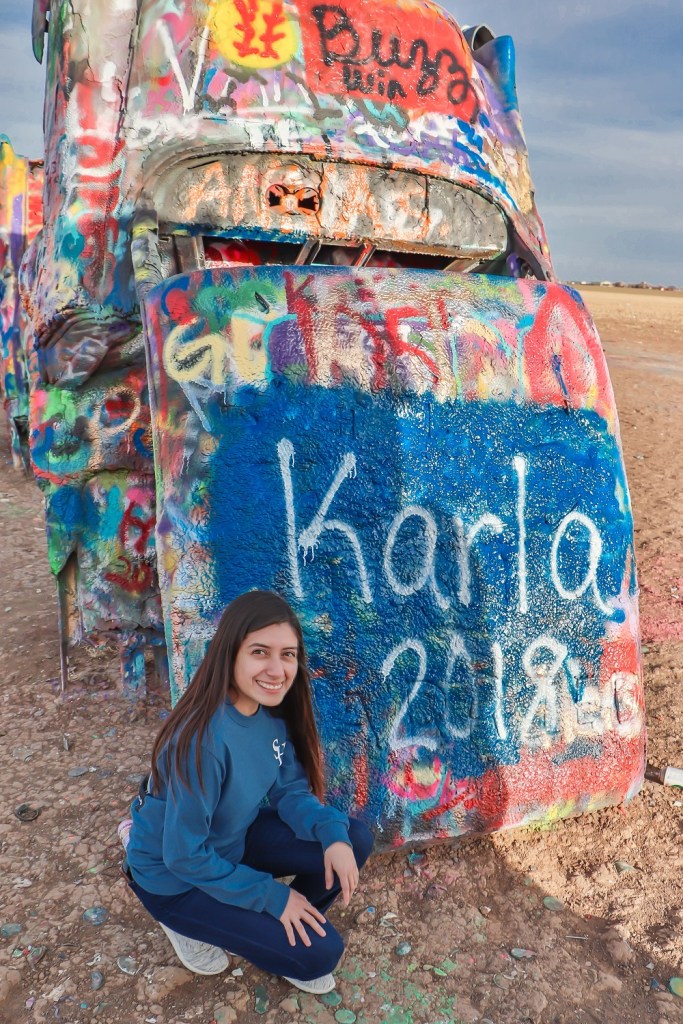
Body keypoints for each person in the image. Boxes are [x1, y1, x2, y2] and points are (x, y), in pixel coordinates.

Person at [121, 590, 374, 994]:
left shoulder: (268, 714)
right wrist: (271, 897)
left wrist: (330, 833)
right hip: (176, 877)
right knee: (320, 955)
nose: (277, 669)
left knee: (351, 837)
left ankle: (282, 931)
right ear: (231, 653)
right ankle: (182, 920)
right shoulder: (203, 741)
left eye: (288, 654)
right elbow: (185, 855)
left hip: (227, 842)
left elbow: (290, 791)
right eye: (260, 652)